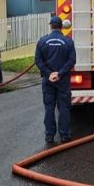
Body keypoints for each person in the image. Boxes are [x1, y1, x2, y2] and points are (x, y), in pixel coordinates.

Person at [35, 15, 76, 144]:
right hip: (62, 80)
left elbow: (38, 60)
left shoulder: (42, 41)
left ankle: (49, 136)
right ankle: (64, 135)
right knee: (64, 107)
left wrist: (49, 74)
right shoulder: (68, 41)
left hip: (48, 81)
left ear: (51, 26)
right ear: (61, 26)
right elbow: (72, 60)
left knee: (49, 107)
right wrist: (60, 73)